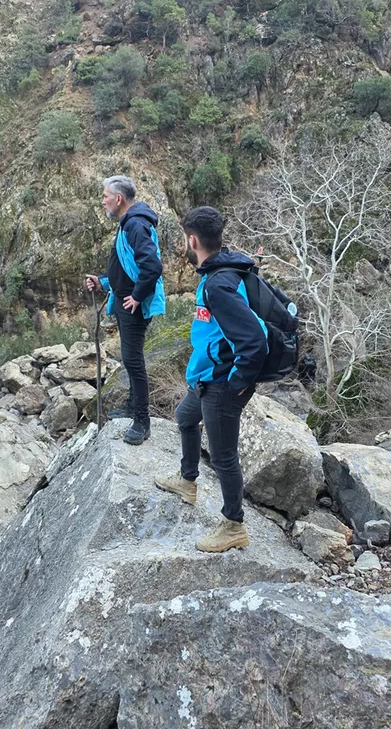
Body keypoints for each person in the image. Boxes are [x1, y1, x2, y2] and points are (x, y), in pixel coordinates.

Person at [154, 206, 267, 552]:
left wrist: (238, 382)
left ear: (192, 241)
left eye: (183, 240)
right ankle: (187, 480)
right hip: (206, 377)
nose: (183, 246)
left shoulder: (219, 284)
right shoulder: (221, 270)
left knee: (223, 457)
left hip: (221, 383)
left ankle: (234, 526)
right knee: (185, 417)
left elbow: (255, 340)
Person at [85, 175, 165, 445]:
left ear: (118, 199)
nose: (103, 201)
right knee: (130, 359)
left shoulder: (135, 225)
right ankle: (132, 406)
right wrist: (102, 282)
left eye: (105, 196)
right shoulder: (127, 223)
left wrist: (137, 296)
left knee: (133, 361)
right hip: (124, 301)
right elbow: (124, 266)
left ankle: (142, 422)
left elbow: (152, 267)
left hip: (133, 306)